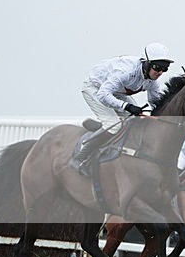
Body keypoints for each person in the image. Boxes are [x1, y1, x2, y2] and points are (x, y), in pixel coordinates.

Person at [70, 42, 174, 174]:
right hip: (95, 89)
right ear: (146, 63)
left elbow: (155, 103)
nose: (160, 72)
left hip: (116, 92)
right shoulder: (126, 71)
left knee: (137, 120)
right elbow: (103, 94)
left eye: (165, 69)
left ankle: (107, 134)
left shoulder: (153, 82)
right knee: (114, 125)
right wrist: (127, 106)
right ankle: (79, 157)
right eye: (157, 67)